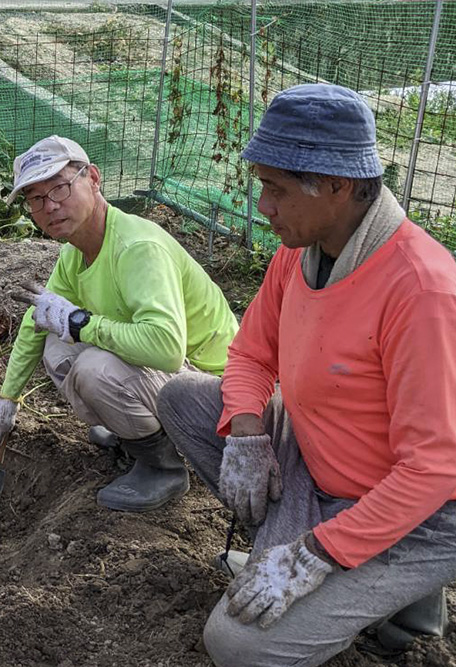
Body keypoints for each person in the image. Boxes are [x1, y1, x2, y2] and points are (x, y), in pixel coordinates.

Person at [157, 84, 456, 666]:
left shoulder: (421, 290)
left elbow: (433, 467)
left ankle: (395, 592)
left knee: (235, 645)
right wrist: (246, 432)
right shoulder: (300, 250)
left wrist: (313, 556)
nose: (262, 205)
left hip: (417, 509)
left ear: (339, 188)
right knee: (181, 400)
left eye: (276, 189)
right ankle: (368, 586)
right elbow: (250, 354)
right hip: (319, 463)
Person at [0, 135, 239, 512]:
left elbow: (166, 349)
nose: (50, 206)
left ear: (94, 178)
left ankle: (162, 467)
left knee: (93, 368)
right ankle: (132, 435)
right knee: (57, 345)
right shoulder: (77, 251)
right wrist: (8, 400)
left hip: (221, 401)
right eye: (36, 199)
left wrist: (82, 323)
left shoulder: (136, 248)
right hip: (180, 381)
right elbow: (35, 321)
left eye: (60, 188)